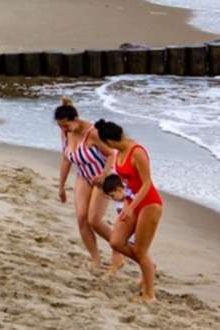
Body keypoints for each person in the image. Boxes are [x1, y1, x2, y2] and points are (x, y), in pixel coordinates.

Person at [95, 119, 163, 302]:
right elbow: (126, 184)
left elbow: (147, 184)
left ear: (110, 141)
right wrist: (126, 204)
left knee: (140, 251)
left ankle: (149, 294)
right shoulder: (118, 152)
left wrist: (131, 206)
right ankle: (149, 266)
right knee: (116, 241)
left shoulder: (137, 152)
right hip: (131, 203)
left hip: (149, 204)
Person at [55, 97, 123, 272]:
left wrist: (103, 174)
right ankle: (95, 259)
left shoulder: (92, 133)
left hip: (104, 179)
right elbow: (66, 158)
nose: (63, 129)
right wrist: (61, 186)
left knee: (94, 220)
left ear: (75, 120)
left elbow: (112, 154)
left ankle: (120, 250)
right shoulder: (65, 132)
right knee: (81, 218)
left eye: (65, 125)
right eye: (60, 126)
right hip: (84, 177)